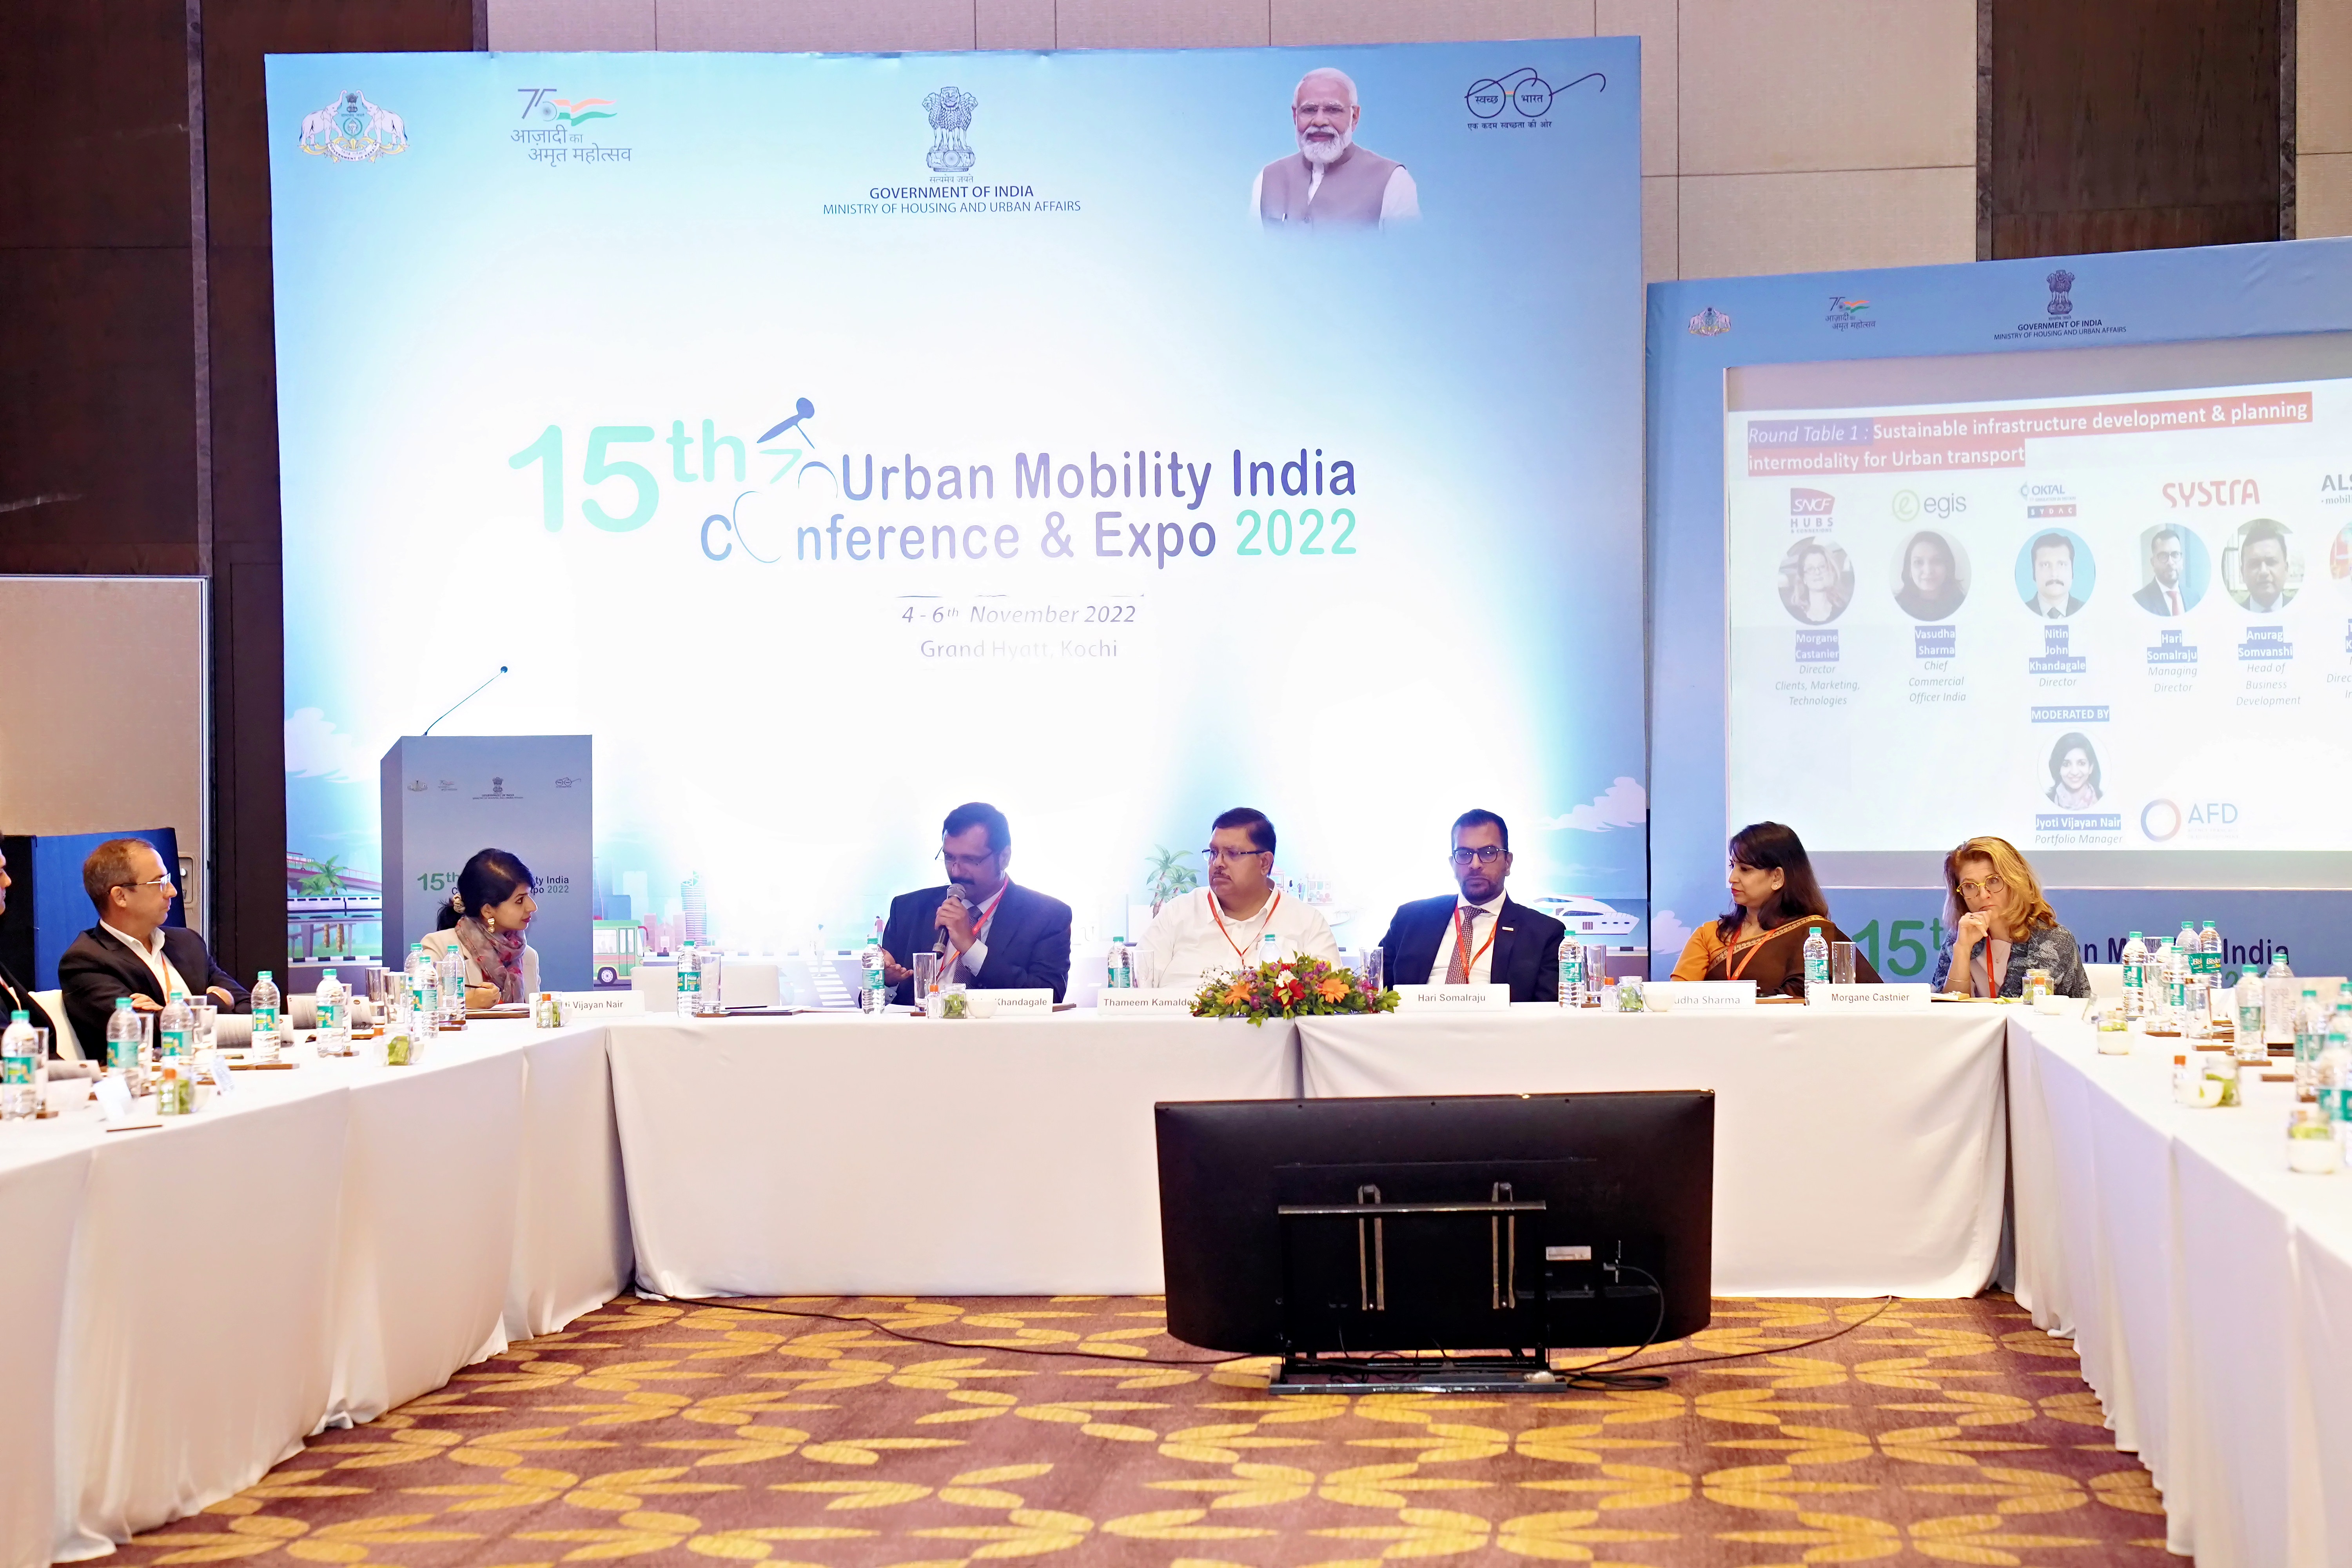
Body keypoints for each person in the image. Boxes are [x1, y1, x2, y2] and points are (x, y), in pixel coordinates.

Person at [59, 837, 248, 1049]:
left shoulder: (187, 943)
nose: (172, 892)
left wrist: (165, 1012)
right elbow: (142, 1032)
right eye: (160, 883)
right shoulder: (86, 961)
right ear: (121, 896)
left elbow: (250, 1007)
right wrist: (218, 1000)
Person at [880, 802, 1073, 1005]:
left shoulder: (1047, 916)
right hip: (918, 1025)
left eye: (971, 860)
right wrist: (887, 983)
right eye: (949, 857)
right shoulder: (907, 910)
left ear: (1004, 858)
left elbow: (1050, 996)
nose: (955, 871)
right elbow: (869, 1005)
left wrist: (971, 947)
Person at [1139, 807, 1340, 992]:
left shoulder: (1308, 923)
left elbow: (1333, 996)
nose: (1218, 863)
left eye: (1232, 854)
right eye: (1214, 853)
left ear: (1264, 863)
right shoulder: (1177, 914)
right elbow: (1135, 987)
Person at [1669, 821, 1878, 998]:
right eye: (1733, 867)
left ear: (1777, 877)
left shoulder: (1814, 933)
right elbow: (1678, 1001)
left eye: (1745, 869)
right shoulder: (1710, 935)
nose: (1732, 878)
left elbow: (1806, 996)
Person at [1377, 809, 1567, 1002]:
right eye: (1464, 854)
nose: (1475, 865)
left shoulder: (1543, 933)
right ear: (1453, 864)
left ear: (1508, 863)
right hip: (1415, 1020)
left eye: (1488, 853)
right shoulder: (1410, 919)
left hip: (1499, 1022)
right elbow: (1373, 991)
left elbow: (1546, 1011)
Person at [1253, 67, 1419, 230]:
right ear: (1295, 116)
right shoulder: (1268, 178)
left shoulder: (1393, 181)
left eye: (1333, 110)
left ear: (1355, 117)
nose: (1319, 121)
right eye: (1309, 110)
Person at [1929, 836, 2089, 998]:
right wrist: (1962, 950)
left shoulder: (2053, 940)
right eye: (1970, 886)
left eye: (1993, 881)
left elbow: (2024, 1006)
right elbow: (1948, 1007)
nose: (1983, 895)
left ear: (2015, 882)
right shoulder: (1959, 937)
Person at [417, 848, 542, 1007]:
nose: (533, 907)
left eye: (530, 895)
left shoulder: (528, 956)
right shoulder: (439, 947)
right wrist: (467, 1001)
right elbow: (416, 1000)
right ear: (488, 910)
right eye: (520, 901)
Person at [1893, 530, 1965, 621]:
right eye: (1918, 562)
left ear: (1948, 567)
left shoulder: (1965, 607)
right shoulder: (1894, 608)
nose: (1928, 571)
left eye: (1937, 561)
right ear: (1909, 570)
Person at [2132, 527, 2196, 615]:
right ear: (2153, 563)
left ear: (2182, 560)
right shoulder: (2138, 602)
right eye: (2163, 556)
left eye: (2175, 555)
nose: (2170, 562)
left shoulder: (2194, 598)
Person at [2237, 519, 2294, 612]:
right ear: (2243, 573)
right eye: (2255, 564)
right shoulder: (2230, 617)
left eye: (2271, 562)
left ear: (2286, 569)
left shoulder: (2305, 613)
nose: (2264, 572)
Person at [2024, 532, 2085, 618]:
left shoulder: (2090, 612)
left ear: (2072, 571)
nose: (2054, 574)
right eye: (2045, 565)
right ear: (2034, 572)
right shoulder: (2018, 613)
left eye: (2062, 565)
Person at [1784, 541, 1847, 624]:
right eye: (1810, 569)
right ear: (1803, 577)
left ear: (1831, 571)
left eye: (1822, 567)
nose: (1817, 572)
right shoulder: (1792, 613)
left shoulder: (1842, 610)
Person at [2044, 733, 2102, 809]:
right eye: (2066, 764)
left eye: (2081, 763)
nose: (2075, 772)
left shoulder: (2104, 801)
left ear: (2091, 768)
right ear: (2058, 768)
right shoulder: (2044, 803)